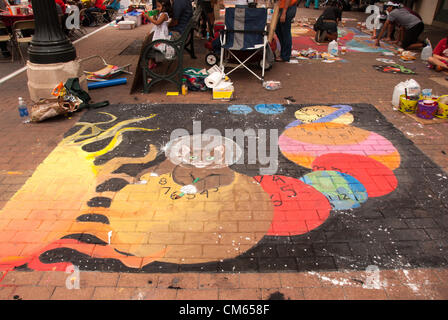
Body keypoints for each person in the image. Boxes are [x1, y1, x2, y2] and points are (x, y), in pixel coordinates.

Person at [146, 0, 173, 68]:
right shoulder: (161, 13)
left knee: (155, 45)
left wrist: (148, 18)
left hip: (161, 33)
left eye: (159, 6)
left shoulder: (164, 14)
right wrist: (155, 15)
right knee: (153, 44)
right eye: (157, 6)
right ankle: (152, 61)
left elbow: (158, 23)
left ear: (164, 7)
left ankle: (151, 62)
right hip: (158, 31)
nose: (157, 8)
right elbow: (156, 20)